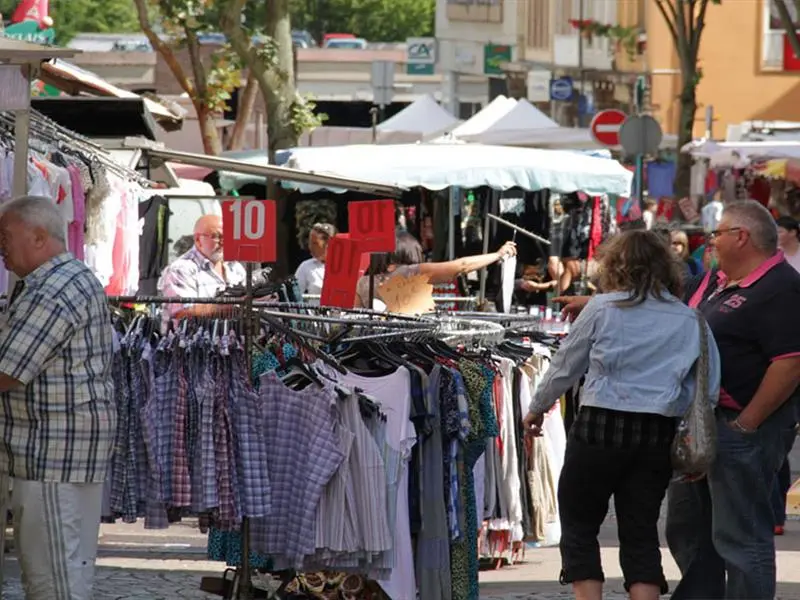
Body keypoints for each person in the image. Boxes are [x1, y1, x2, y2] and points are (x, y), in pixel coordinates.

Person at [552, 200, 800, 600]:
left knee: (740, 536)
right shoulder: (719, 280)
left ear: (743, 237)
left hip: (741, 426)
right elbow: (668, 316)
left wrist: (747, 423)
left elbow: (790, 364)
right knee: (686, 528)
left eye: (718, 233)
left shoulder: (781, 287)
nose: (711, 241)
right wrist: (606, 307)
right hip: (693, 423)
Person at [522, 230, 721, 600]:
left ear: (615, 266)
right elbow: (706, 389)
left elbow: (566, 365)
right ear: (667, 268)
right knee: (641, 530)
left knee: (580, 523)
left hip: (598, 429)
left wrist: (536, 409)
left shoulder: (602, 307)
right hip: (655, 435)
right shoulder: (690, 319)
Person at [0, 195, 116, 599]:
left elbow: (9, 369)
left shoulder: (52, 288)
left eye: (6, 235)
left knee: (54, 577)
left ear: (37, 236)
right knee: (65, 569)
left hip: (52, 456)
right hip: (61, 453)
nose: (2, 246)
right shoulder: (69, 278)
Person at [354, 231, 517, 309]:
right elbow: (461, 266)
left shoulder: (363, 283)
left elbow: (357, 314)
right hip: (407, 348)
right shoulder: (408, 273)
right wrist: (498, 254)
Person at [158, 215, 246, 326]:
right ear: (198, 240)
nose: (223, 242)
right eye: (217, 236)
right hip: (193, 341)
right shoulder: (181, 269)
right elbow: (181, 312)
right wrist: (231, 306)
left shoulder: (235, 267)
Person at [294, 222, 336, 300]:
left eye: (315, 243)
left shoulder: (344, 266)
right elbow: (294, 294)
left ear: (328, 243)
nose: (310, 247)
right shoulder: (305, 266)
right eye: (310, 243)